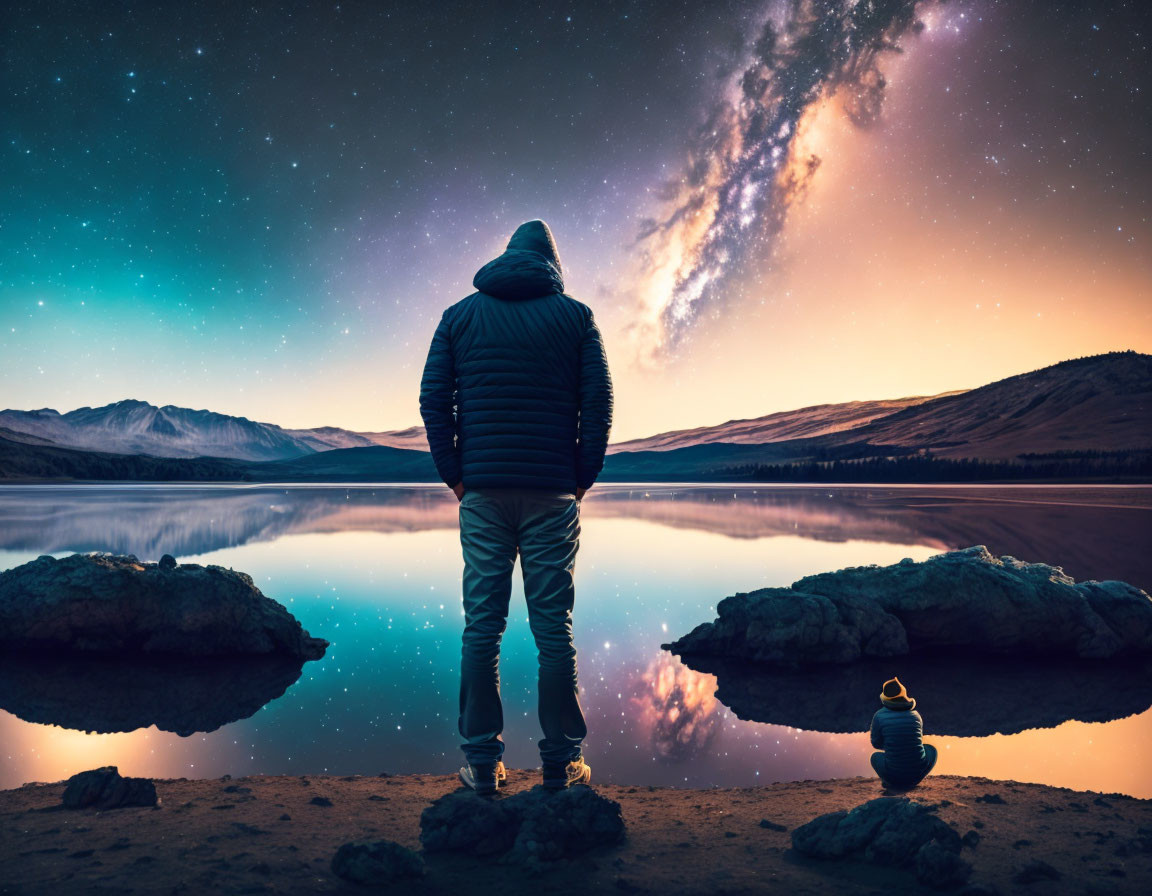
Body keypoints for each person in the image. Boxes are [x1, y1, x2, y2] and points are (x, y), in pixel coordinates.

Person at [419, 219, 613, 796]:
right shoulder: (576, 317)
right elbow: (598, 405)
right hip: (553, 493)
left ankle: (481, 763)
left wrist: (457, 477)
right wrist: (581, 479)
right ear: (552, 264)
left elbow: (433, 400)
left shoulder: (459, 316)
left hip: (482, 494)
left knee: (483, 627)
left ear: (506, 257)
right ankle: (560, 762)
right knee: (555, 632)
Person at [869, 677, 938, 789]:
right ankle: (912, 780)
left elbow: (876, 744)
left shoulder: (879, 716)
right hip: (917, 773)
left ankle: (891, 782)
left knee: (875, 757)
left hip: (895, 776)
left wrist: (892, 745)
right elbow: (916, 741)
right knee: (931, 750)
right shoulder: (916, 716)